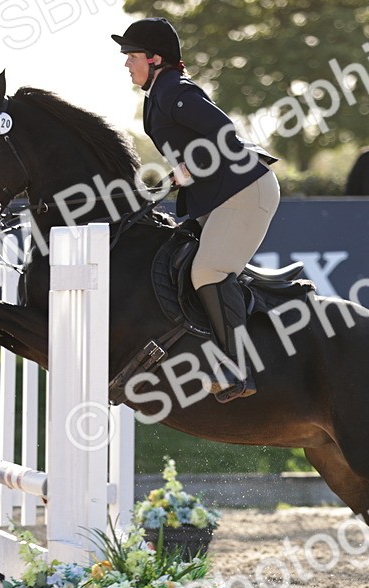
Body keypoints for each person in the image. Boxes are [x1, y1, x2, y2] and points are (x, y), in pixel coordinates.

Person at [113, 17, 280, 402]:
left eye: (132, 56)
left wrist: (192, 165)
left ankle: (239, 369)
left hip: (245, 190)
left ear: (155, 58)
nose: (127, 64)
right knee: (186, 265)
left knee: (208, 269)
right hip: (223, 193)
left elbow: (224, 134)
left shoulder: (174, 89)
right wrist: (179, 174)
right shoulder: (158, 94)